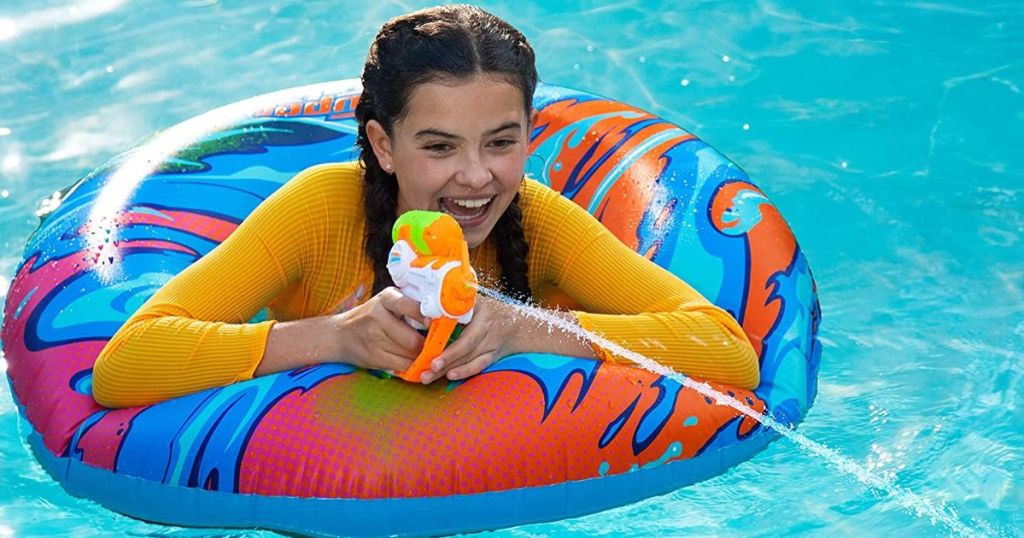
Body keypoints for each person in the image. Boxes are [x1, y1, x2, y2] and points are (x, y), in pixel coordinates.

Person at [92, 4, 759, 409]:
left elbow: (728, 352)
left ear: (530, 134)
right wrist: (337, 337)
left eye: (501, 142)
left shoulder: (540, 220)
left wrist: (517, 328)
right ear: (383, 145)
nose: (476, 177)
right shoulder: (321, 212)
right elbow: (126, 365)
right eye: (438, 147)